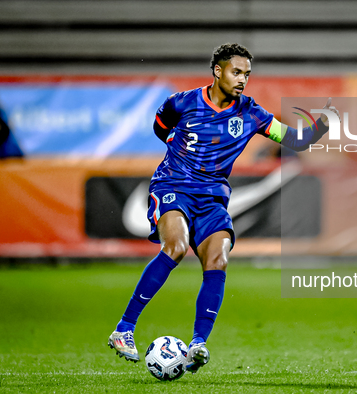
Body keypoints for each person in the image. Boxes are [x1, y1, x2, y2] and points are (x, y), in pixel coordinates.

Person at [108, 43, 339, 373]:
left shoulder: (250, 112)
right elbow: (161, 128)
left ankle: (198, 343)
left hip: (213, 197)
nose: (242, 79)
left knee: (218, 258)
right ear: (218, 71)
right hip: (174, 186)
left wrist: (322, 125)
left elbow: (295, 141)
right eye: (236, 72)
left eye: (247, 74)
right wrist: (178, 155)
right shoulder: (183, 102)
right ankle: (124, 329)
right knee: (174, 247)